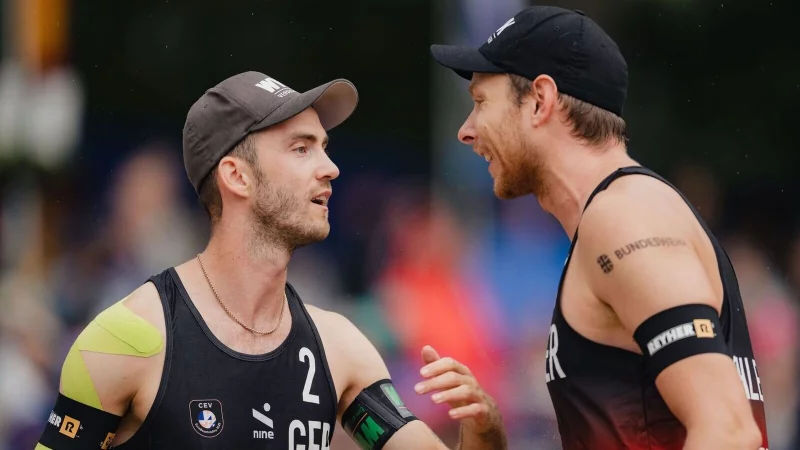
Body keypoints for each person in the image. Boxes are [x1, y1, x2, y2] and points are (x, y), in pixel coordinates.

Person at [35, 71, 507, 450]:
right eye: (301, 148)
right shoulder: (127, 340)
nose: (330, 167)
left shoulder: (338, 347)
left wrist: (484, 432)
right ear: (236, 176)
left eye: (324, 148)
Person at [430, 5, 768, 450]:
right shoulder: (614, 219)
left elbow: (729, 432)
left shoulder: (625, 219)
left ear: (540, 100)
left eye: (479, 103)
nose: (466, 131)